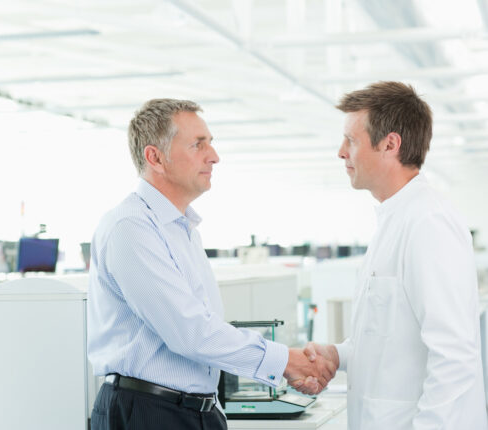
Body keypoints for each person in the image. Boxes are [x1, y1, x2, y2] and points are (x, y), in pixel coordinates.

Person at [87, 98, 336, 430]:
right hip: (149, 413)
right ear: (155, 157)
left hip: (194, 410)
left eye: (211, 144)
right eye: (198, 145)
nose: (214, 156)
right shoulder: (131, 228)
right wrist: (284, 360)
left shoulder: (182, 230)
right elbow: (190, 332)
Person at [303, 81, 488, 429]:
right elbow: (387, 342)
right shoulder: (395, 220)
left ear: (390, 144)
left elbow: (454, 358)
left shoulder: (427, 223)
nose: (341, 152)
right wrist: (337, 355)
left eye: (351, 140)